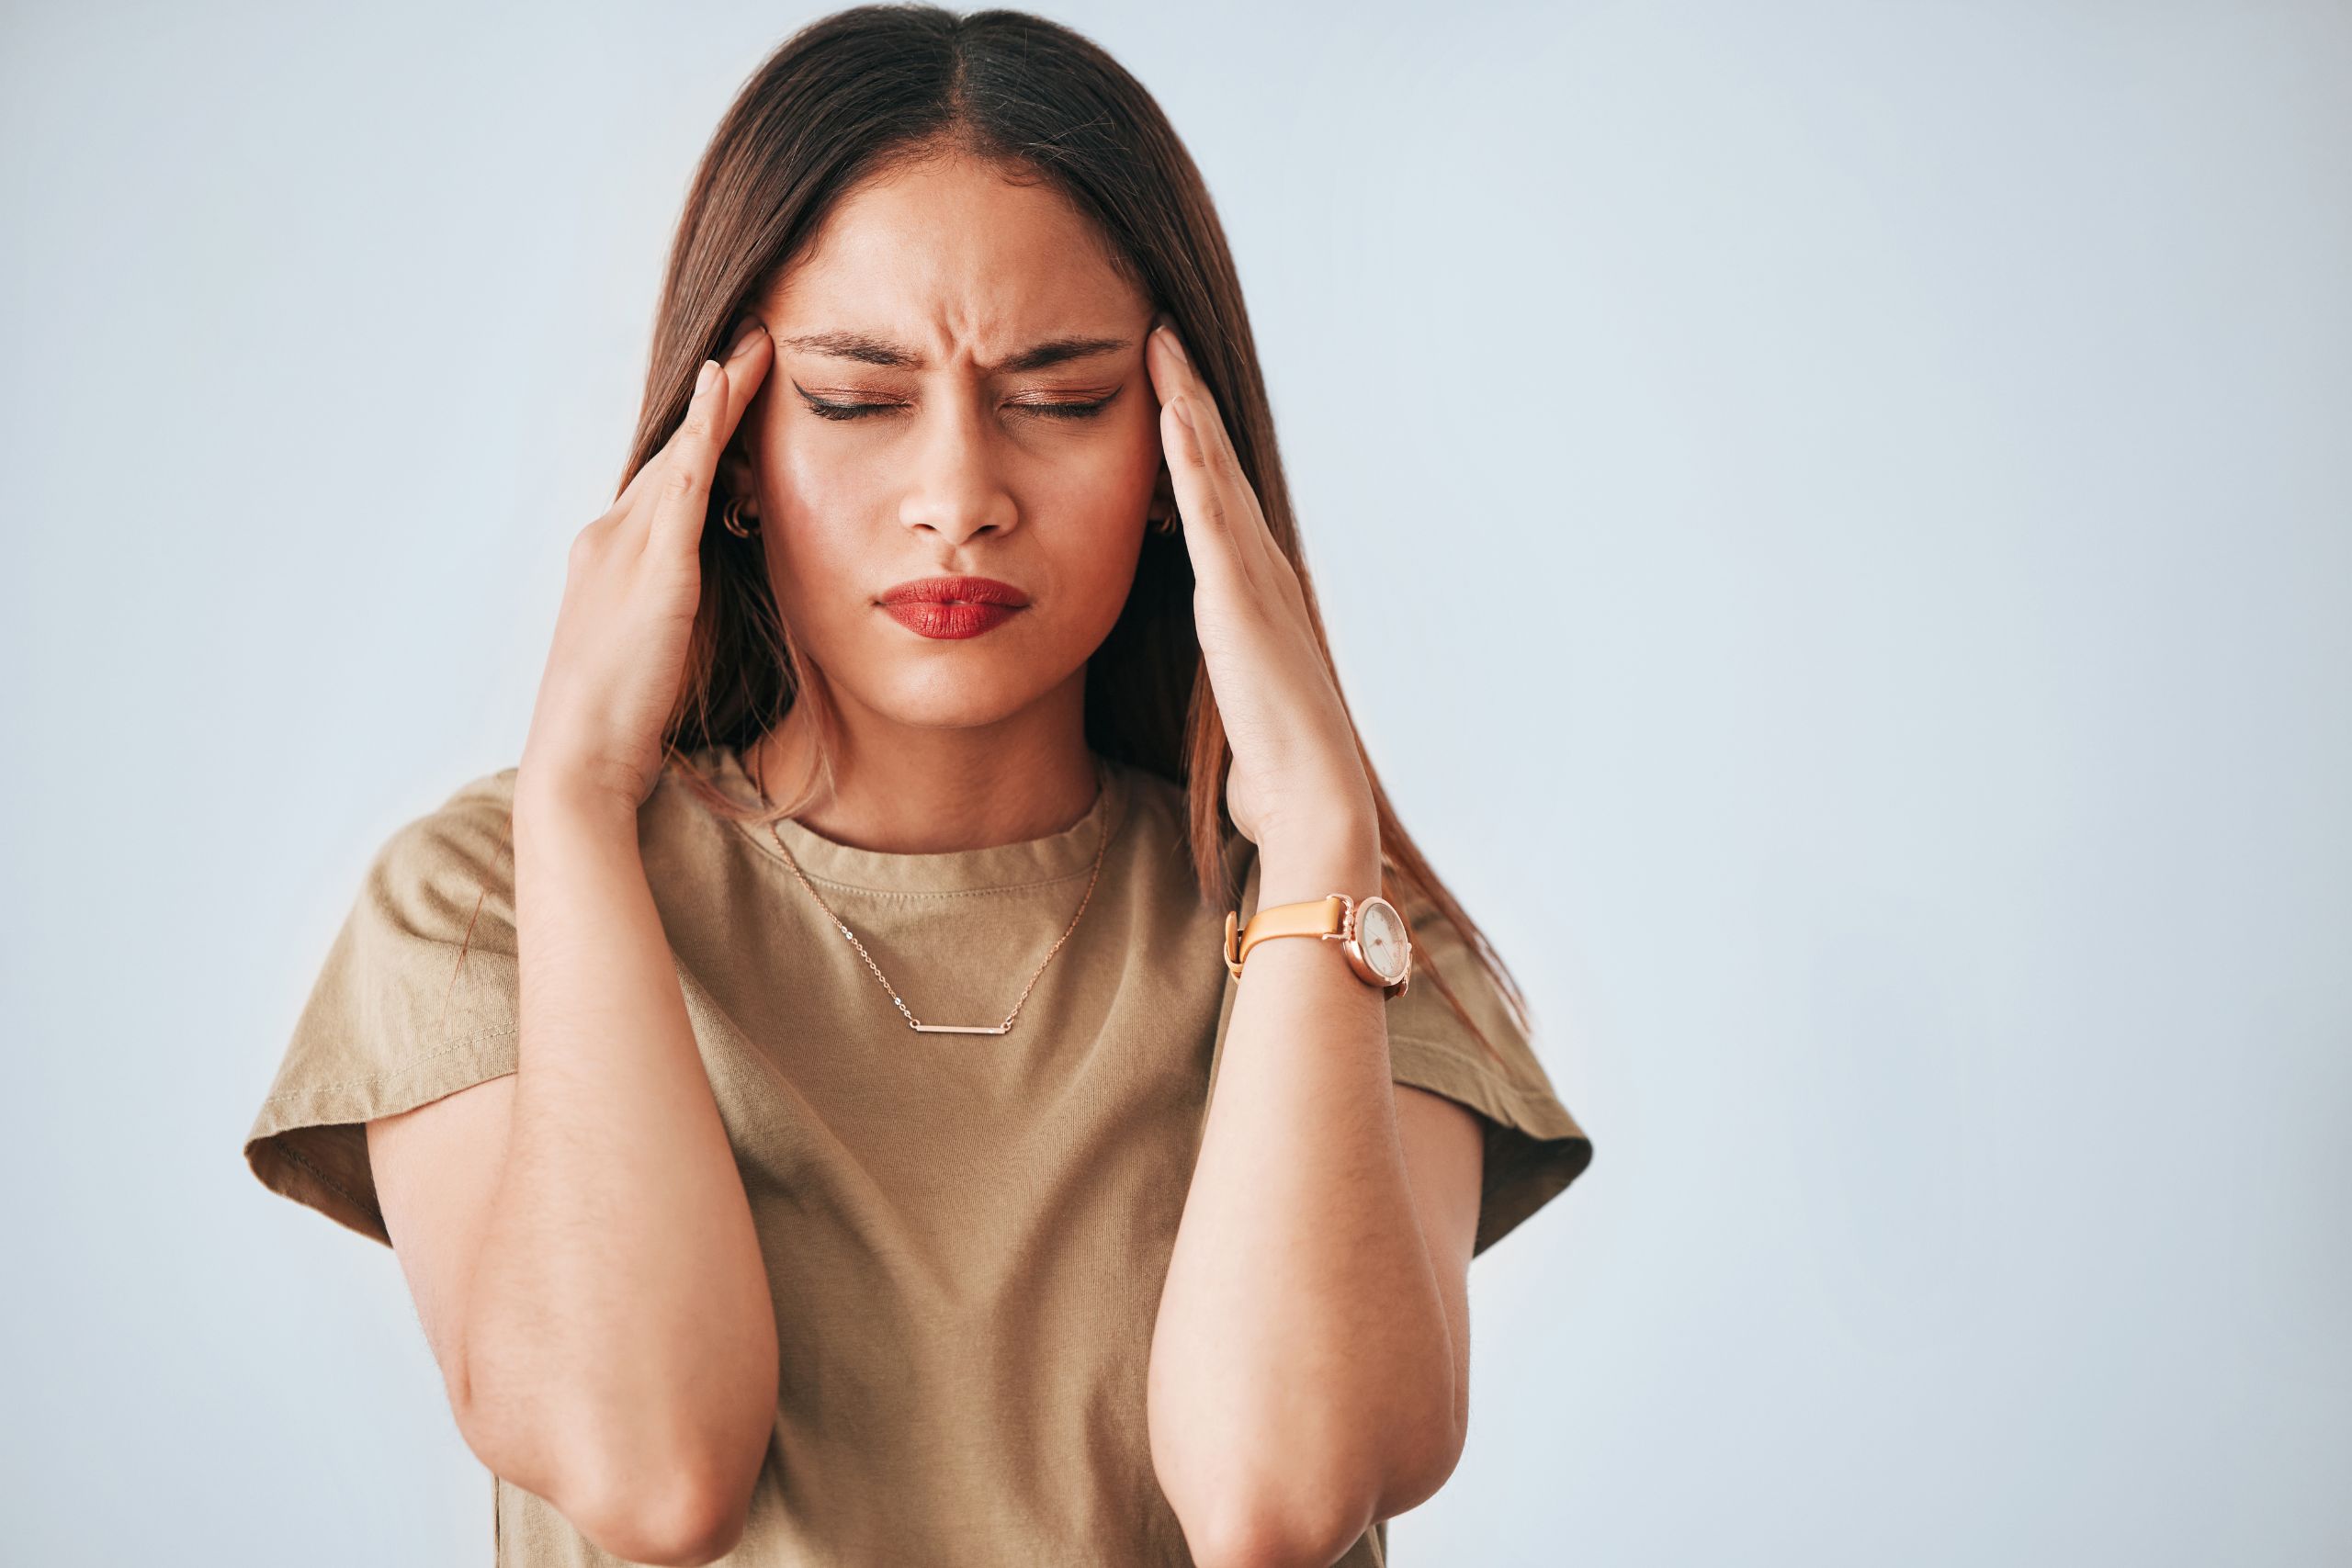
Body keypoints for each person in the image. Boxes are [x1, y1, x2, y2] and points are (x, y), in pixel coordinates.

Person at [240, 6, 1594, 1564]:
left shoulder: (1338, 918)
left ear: (1175, 454)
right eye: (858, 400)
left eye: (1063, 397)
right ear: (729, 447)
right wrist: (573, 807)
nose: (958, 498)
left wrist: (1319, 828)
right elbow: (650, 1471)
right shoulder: (482, 901)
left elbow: (1278, 1501)